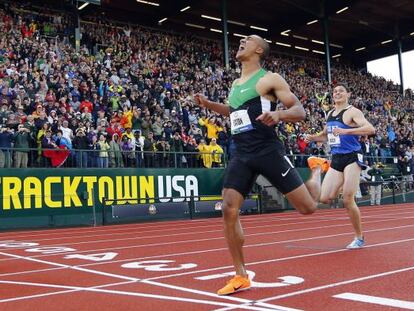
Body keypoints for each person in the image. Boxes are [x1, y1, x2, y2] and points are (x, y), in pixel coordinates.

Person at [194, 34, 329, 295]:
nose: (241, 41)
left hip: (267, 150)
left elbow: (299, 111)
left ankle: (315, 170)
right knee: (228, 208)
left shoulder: (270, 79)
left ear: (258, 49)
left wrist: (278, 114)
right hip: (240, 153)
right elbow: (234, 112)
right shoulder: (235, 84)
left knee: (308, 208)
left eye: (248, 39)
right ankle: (241, 275)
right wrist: (209, 104)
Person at [306, 84, 375, 249]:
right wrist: (313, 137)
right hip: (336, 158)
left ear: (348, 94)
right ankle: (318, 167)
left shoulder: (353, 111)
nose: (337, 93)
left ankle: (359, 237)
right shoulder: (330, 113)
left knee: (347, 198)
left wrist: (345, 132)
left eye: (341, 91)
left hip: (352, 156)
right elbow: (326, 136)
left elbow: (370, 129)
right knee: (324, 198)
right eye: (335, 91)